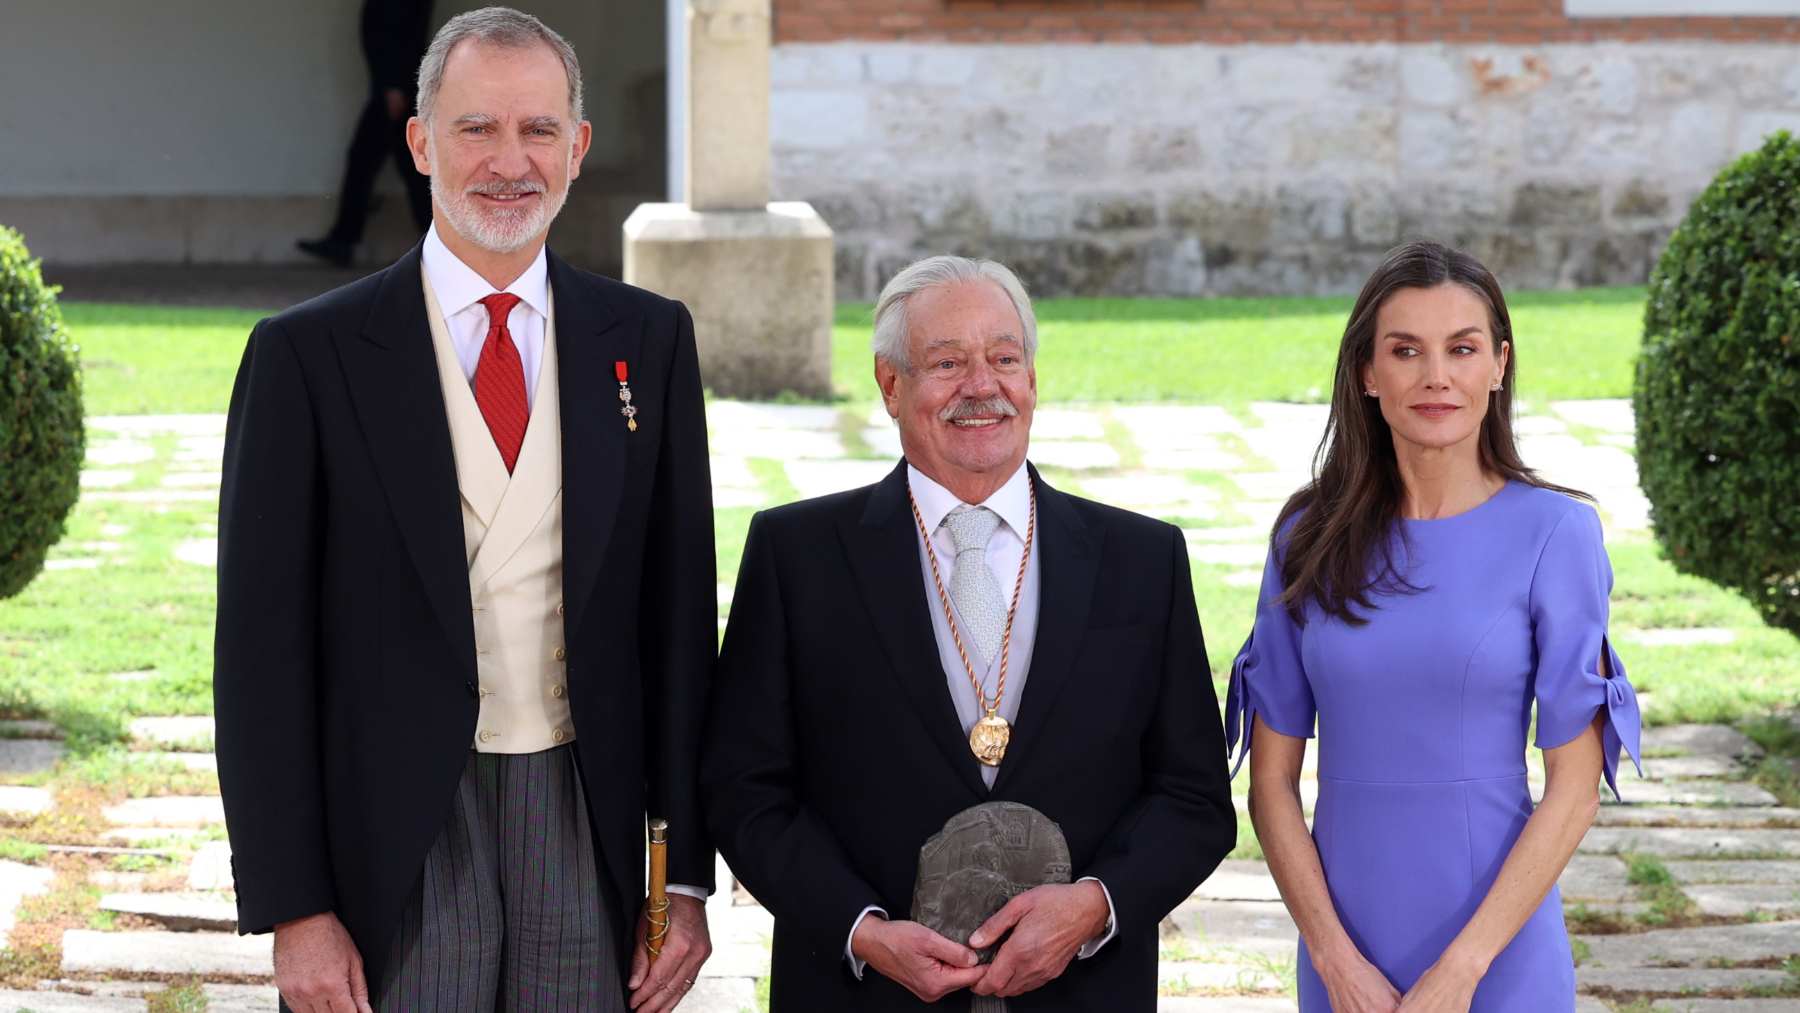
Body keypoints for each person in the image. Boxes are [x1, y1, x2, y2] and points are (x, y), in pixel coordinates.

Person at [216, 9, 716, 1011]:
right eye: (476, 127)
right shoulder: (307, 356)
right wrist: (295, 906)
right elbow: (262, 654)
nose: (509, 161)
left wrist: (687, 878)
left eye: (538, 129)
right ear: (420, 142)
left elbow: (679, 625)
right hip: (394, 819)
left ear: (575, 149)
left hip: (586, 804)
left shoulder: (649, 342)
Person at [703, 255, 1236, 1012]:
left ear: (1033, 378)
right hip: (862, 994)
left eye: (1004, 359)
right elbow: (744, 791)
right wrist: (862, 930)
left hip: (1082, 990)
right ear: (891, 385)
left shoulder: (1142, 560)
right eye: (947, 362)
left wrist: (1093, 906)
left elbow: (1195, 799)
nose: (981, 386)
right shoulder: (798, 556)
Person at [1227, 240, 1642, 1011]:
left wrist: (1463, 969)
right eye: (1406, 350)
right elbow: (1272, 784)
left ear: (1499, 364)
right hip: (1344, 951)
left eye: (1462, 348)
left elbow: (1575, 786)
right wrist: (1333, 958)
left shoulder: (1556, 533)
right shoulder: (1307, 537)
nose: (1435, 376)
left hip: (1500, 953)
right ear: (1368, 373)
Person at [297, 0, 436, 267]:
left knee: (373, 164)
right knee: (407, 168)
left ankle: (343, 239)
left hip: (394, 91)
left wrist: (394, 86)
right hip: (393, 89)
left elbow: (404, 33)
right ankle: (344, 239)